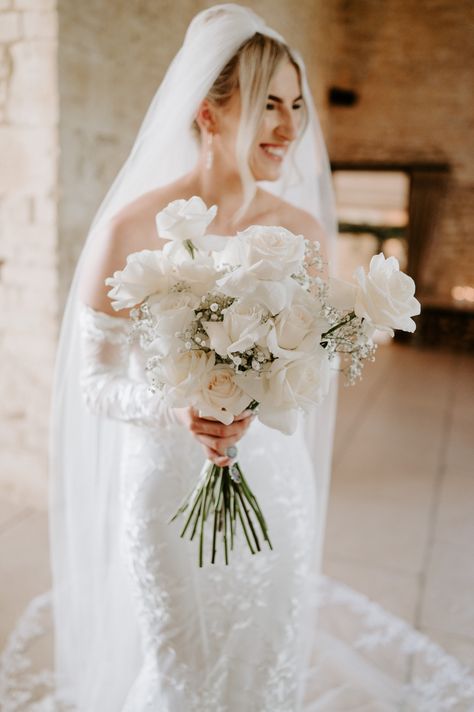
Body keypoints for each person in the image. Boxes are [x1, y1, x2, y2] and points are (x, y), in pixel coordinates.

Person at [2, 5, 472, 711]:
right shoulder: (131, 228)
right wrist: (178, 407)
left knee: (265, 654)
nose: (288, 127)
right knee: (184, 662)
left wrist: (269, 393)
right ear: (209, 113)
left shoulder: (303, 233)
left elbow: (313, 368)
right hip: (165, 485)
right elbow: (93, 382)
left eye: (295, 105)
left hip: (273, 482)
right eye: (267, 105)